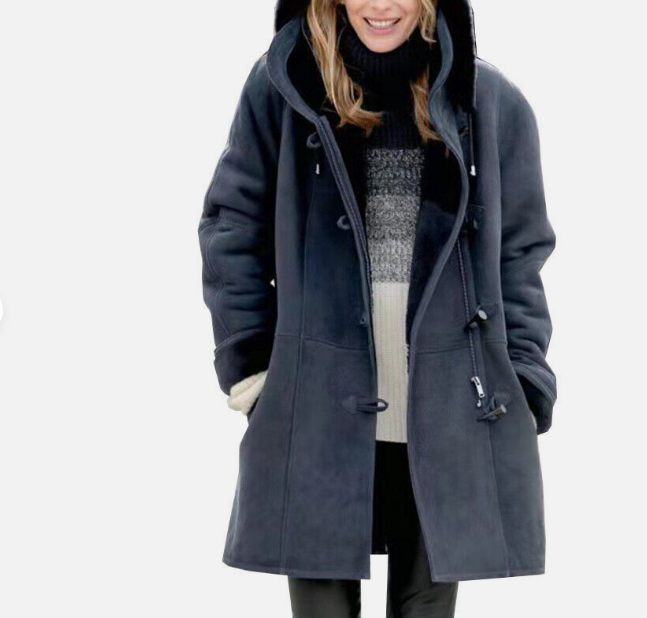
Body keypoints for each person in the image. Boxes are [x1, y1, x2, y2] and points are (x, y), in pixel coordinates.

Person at [199, 1, 557, 616]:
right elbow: (231, 229)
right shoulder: (284, 89)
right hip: (314, 408)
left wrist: (522, 377)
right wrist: (251, 368)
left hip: (451, 413)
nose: (381, 5)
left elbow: (520, 254)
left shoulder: (488, 102)